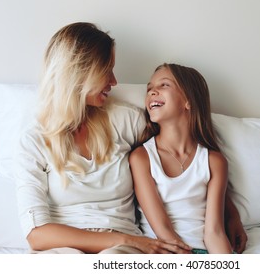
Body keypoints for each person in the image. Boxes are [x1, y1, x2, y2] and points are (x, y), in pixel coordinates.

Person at [15, 22, 191, 254]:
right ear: (80, 73)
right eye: (107, 70)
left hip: (120, 251)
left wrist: (226, 211)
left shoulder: (125, 120)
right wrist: (126, 240)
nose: (114, 81)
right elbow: (36, 235)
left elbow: (185, 157)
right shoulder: (34, 140)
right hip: (62, 248)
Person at [129, 63, 239, 253]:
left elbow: (215, 232)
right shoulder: (142, 158)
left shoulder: (214, 161)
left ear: (188, 100)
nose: (152, 92)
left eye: (164, 85)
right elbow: (163, 230)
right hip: (164, 251)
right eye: (149, 88)